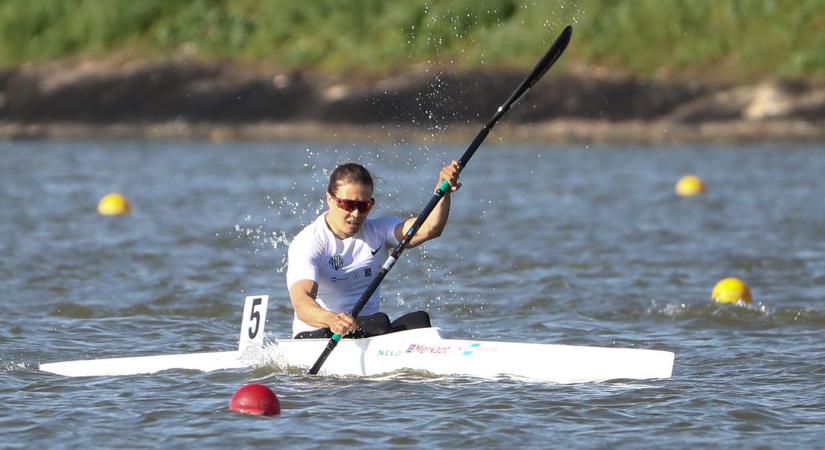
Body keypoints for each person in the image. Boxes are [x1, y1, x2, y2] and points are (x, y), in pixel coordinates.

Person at [286, 161, 461, 339]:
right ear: (329, 199)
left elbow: (429, 229)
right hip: (317, 335)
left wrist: (443, 191)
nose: (355, 214)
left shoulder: (379, 230)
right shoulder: (309, 242)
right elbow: (301, 303)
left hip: (367, 330)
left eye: (363, 206)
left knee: (419, 321)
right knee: (380, 322)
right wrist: (332, 319)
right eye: (348, 204)